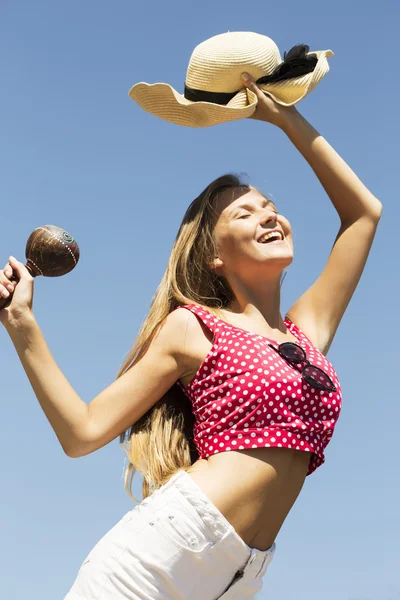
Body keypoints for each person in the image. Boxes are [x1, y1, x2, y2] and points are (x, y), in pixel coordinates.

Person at [0, 73, 382, 599]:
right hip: (156, 561)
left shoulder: (306, 334)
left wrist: (280, 117)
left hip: (239, 578)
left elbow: (364, 213)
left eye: (270, 205)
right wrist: (21, 325)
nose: (267, 214)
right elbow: (83, 431)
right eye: (244, 212)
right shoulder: (193, 327)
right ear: (214, 257)